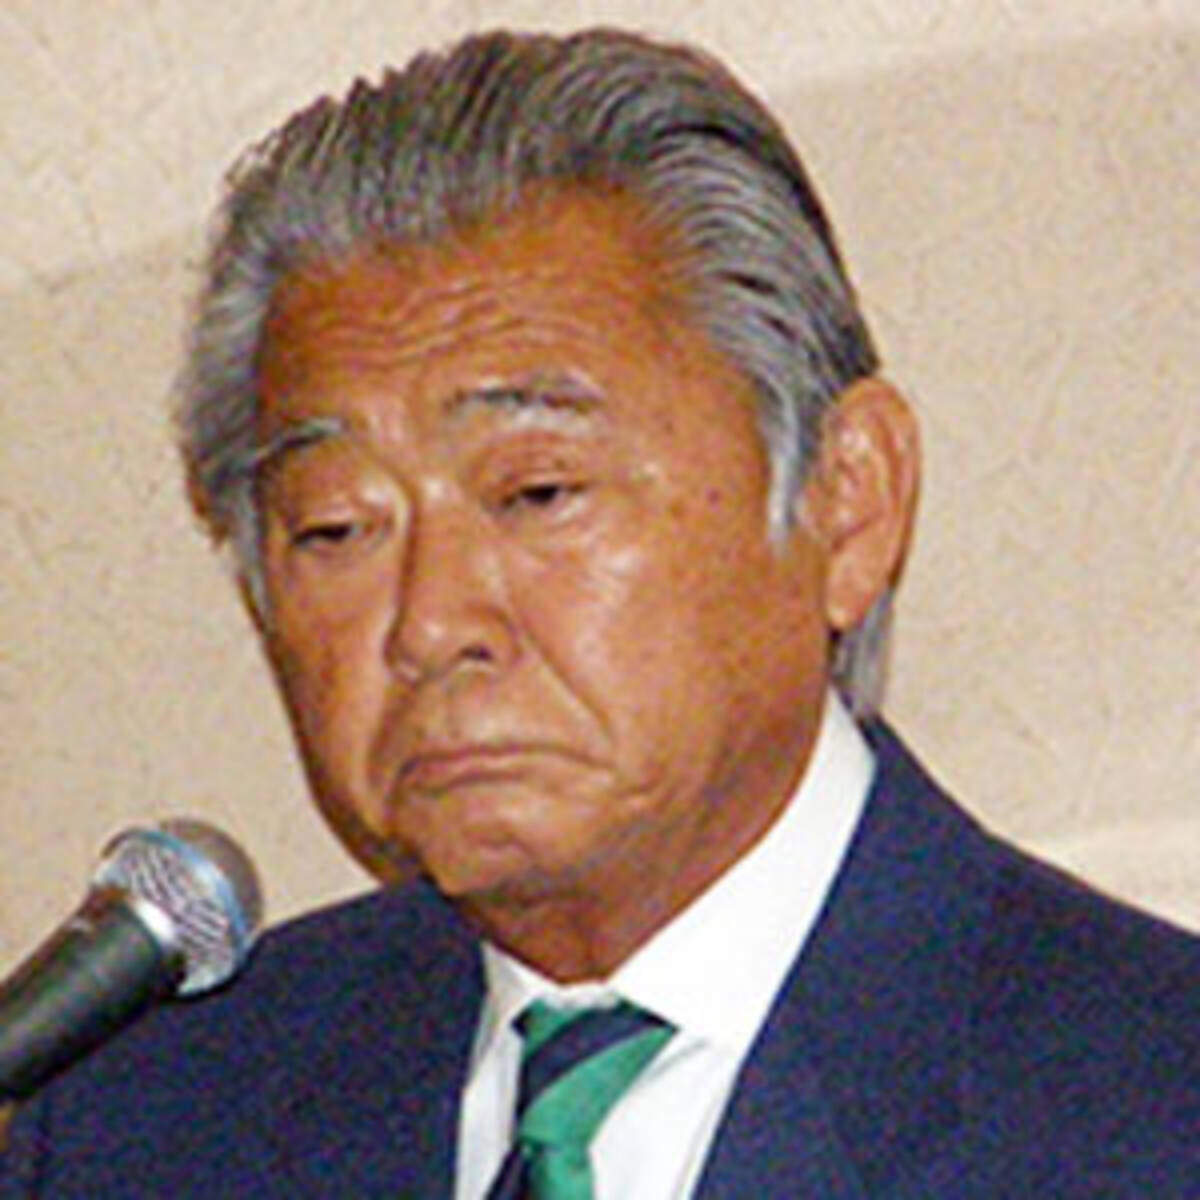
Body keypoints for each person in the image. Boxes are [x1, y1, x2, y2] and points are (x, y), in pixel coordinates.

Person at [2, 27, 1196, 1199]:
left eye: (537, 493)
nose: (428, 625)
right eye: (335, 527)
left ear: (847, 504)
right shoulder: (140, 1122)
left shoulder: (1152, 1109)